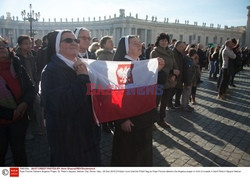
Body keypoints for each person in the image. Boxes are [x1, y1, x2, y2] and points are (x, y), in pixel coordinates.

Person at [41, 30, 101, 166]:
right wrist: (82, 79)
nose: (74, 43)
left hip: (86, 134)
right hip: (68, 139)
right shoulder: (50, 71)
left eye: (76, 40)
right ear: (58, 46)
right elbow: (63, 104)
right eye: (68, 40)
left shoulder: (82, 65)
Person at [111, 35, 164, 166]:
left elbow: (154, 88)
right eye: (135, 43)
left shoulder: (142, 63)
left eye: (139, 42)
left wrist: (159, 70)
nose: (139, 45)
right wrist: (121, 119)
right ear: (127, 47)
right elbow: (114, 96)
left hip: (144, 118)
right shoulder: (121, 66)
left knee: (143, 155)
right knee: (127, 156)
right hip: (130, 121)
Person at [0, 36, 35, 166]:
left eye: (3, 45)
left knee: (19, 153)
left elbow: (30, 88)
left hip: (19, 119)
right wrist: (10, 114)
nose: (1, 48)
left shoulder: (17, 64)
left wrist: (24, 104)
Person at [150, 33, 179, 128]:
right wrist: (171, 72)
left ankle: (161, 119)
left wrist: (174, 74)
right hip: (159, 81)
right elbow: (155, 67)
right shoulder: (154, 52)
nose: (164, 42)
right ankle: (152, 121)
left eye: (166, 40)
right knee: (155, 102)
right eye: (162, 40)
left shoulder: (170, 52)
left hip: (169, 81)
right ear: (158, 42)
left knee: (164, 102)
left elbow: (175, 65)